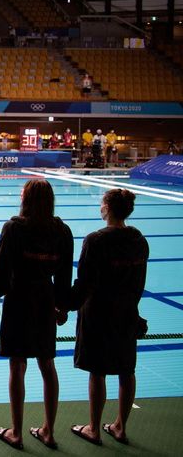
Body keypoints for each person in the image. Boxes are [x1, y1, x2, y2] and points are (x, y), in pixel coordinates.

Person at [0, 179, 74, 450]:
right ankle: (48, 431)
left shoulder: (14, 228)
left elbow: (0, 273)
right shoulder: (62, 231)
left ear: (26, 198)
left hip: (18, 300)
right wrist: (62, 306)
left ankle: (16, 432)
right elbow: (64, 277)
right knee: (47, 365)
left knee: (18, 365)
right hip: (45, 300)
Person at [68, 189, 148, 447]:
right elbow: (138, 283)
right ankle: (120, 427)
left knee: (97, 371)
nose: (100, 207)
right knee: (127, 369)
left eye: (102, 203)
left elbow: (84, 283)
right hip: (127, 312)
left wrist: (65, 307)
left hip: (99, 314)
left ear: (108, 209)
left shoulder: (95, 241)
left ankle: (94, 428)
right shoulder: (138, 240)